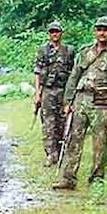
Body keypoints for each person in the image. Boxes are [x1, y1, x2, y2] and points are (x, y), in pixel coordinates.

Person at [54, 16, 107, 190]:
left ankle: (96, 179)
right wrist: (68, 101)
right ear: (95, 31)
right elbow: (74, 76)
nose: (102, 33)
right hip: (81, 99)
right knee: (73, 139)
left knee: (100, 142)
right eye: (99, 29)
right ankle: (68, 178)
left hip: (101, 102)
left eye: (106, 29)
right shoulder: (85, 52)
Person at [33, 21, 76, 166]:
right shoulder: (43, 50)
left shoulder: (69, 51)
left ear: (61, 33)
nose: (54, 34)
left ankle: (61, 152)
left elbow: (74, 73)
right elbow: (37, 73)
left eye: (56, 31)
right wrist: (37, 94)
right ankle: (51, 154)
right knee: (48, 123)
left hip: (63, 91)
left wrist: (71, 95)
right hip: (47, 90)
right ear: (49, 34)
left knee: (63, 122)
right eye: (52, 32)